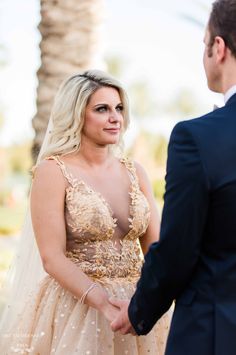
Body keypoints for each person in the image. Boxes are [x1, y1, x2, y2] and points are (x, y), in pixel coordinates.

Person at [0, 70, 170, 354]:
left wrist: (148, 301)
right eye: (102, 109)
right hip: (78, 307)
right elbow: (51, 257)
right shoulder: (53, 172)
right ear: (77, 114)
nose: (115, 117)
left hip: (137, 305)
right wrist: (102, 302)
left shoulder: (135, 171)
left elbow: (156, 247)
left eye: (119, 108)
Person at [110, 0, 236, 354]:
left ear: (219, 48)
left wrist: (139, 310)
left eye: (204, 44)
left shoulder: (197, 138)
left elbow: (179, 248)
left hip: (216, 332)